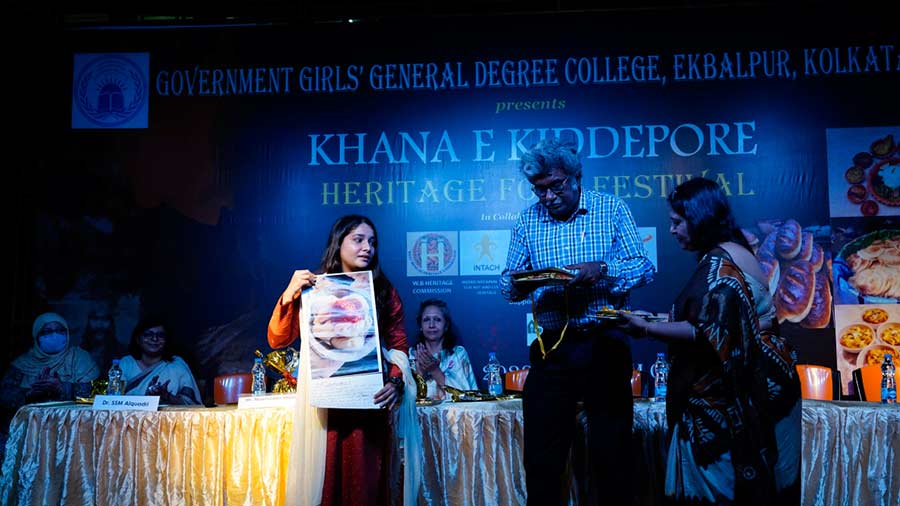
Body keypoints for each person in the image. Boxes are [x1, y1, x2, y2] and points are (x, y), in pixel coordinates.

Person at [619, 177, 800, 505]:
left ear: (698, 218)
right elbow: (718, 320)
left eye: (676, 222)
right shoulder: (736, 248)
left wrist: (645, 328)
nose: (671, 231)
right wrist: (655, 320)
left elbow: (705, 332)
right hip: (764, 379)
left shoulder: (719, 262)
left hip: (738, 389)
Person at [500, 137, 655, 506]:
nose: (549, 197)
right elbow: (508, 286)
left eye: (557, 186)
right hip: (551, 348)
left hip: (604, 341)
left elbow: (643, 268)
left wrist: (602, 270)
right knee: (542, 457)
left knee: (612, 451)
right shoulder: (526, 219)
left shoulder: (611, 208)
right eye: (540, 190)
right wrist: (523, 280)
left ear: (576, 176)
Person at [268, 214, 408, 506]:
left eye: (372, 242)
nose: (367, 247)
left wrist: (396, 381)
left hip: (369, 400)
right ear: (338, 243)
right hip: (325, 406)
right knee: (326, 483)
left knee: (366, 486)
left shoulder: (383, 291)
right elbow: (277, 340)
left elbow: (399, 346)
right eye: (358, 239)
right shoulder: (313, 288)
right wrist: (289, 294)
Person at [0, 312, 100, 455]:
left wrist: (62, 387)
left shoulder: (80, 358)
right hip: (28, 433)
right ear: (36, 335)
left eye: (60, 331)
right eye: (47, 331)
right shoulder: (21, 364)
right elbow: (4, 396)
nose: (54, 335)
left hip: (72, 432)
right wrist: (29, 393)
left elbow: (99, 394)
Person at [118, 316, 202, 405]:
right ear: (138, 339)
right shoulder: (126, 363)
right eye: (148, 334)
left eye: (160, 335)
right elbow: (114, 400)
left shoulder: (176, 365)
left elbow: (190, 404)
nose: (154, 339)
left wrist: (166, 396)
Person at [408, 299, 479, 399]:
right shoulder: (411, 355)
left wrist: (435, 371)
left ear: (446, 326)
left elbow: (466, 397)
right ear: (420, 326)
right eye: (426, 320)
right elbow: (405, 401)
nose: (431, 325)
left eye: (437, 319)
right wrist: (420, 375)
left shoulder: (457, 354)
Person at [79, 300, 126, 372]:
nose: (99, 325)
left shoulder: (121, 353)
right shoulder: (79, 353)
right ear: (88, 322)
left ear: (111, 323)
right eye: (95, 319)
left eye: (104, 319)